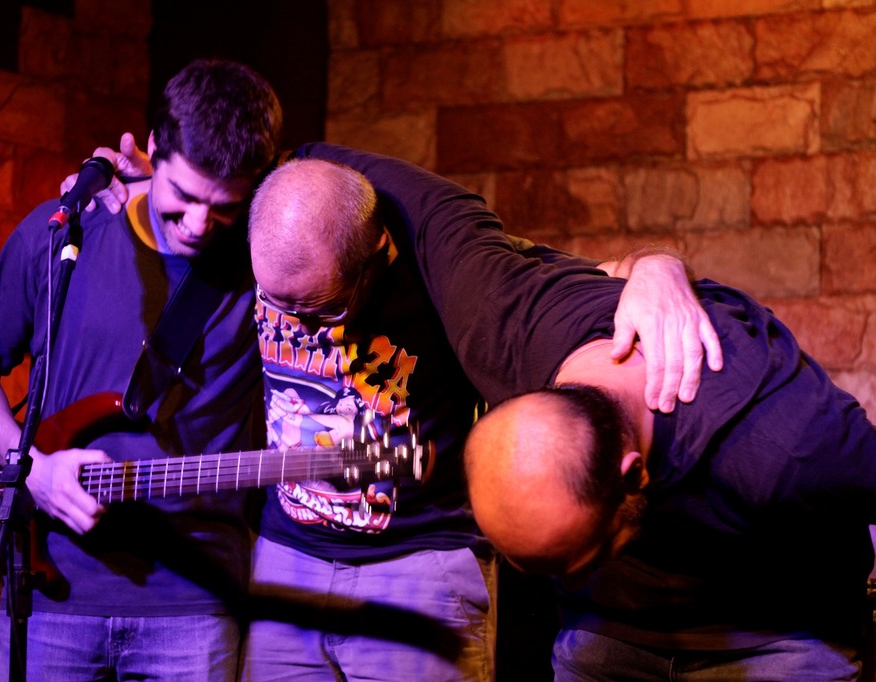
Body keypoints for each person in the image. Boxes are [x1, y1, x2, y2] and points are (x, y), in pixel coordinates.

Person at [89, 139, 721, 680]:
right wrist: (140, 179)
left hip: (419, 565)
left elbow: (595, 283)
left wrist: (657, 267)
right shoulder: (263, 227)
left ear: (373, 259)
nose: (300, 325)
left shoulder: (455, 269)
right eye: (279, 305)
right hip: (287, 559)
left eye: (318, 308)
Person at [336, 144, 876, 678]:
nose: (565, 581)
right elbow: (400, 192)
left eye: (583, 558)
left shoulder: (787, 448)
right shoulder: (504, 327)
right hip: (609, 631)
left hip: (777, 635)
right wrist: (654, 263)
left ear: (633, 473)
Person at [0, 59, 282, 681]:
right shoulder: (62, 234)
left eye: (224, 207)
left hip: (196, 607)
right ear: (153, 148)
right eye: (183, 196)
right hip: (49, 595)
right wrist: (31, 470)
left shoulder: (269, 266)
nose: (199, 225)